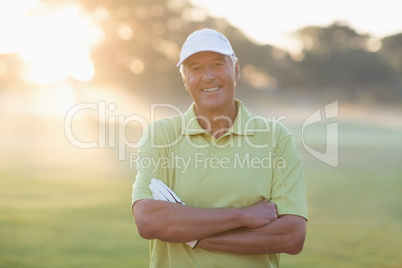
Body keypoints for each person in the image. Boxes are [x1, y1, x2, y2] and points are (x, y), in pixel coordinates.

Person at [131, 28, 308, 268]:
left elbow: (291, 236)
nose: (208, 76)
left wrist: (188, 233)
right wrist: (243, 215)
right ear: (185, 80)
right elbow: (149, 220)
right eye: (195, 68)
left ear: (235, 71)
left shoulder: (275, 137)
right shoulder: (161, 135)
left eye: (217, 64)